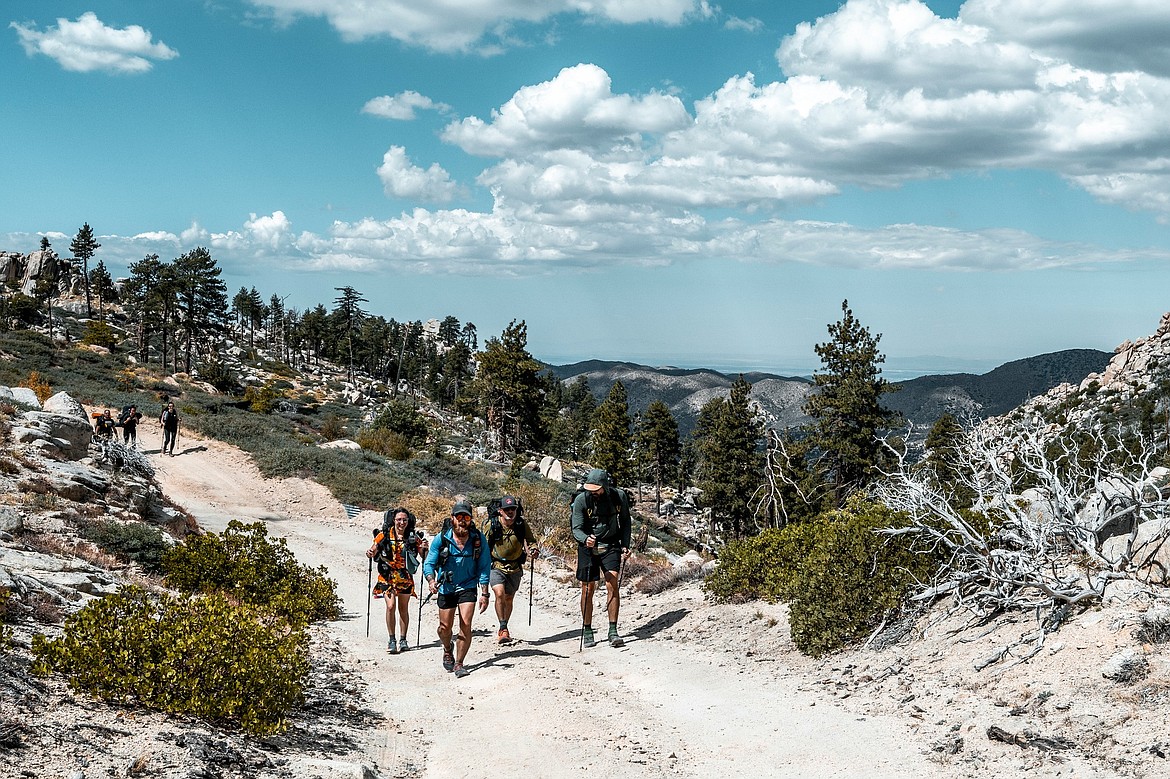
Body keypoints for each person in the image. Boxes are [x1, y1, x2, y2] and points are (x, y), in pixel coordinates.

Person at [422, 501, 490, 678]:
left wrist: (484, 593)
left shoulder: (478, 539)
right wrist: (431, 580)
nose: (462, 521)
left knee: (466, 625)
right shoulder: (442, 538)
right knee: (444, 628)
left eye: (466, 517)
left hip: (467, 586)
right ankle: (447, 648)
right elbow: (429, 563)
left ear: (470, 519)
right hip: (446, 586)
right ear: (452, 518)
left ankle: (459, 663)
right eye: (459, 517)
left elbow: (484, 567)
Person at [571, 468, 632, 648]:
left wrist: (625, 544)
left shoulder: (619, 497)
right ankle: (588, 629)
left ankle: (613, 630)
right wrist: (585, 539)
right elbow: (576, 528)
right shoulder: (582, 500)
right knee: (588, 588)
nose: (593, 492)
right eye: (590, 488)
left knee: (612, 583)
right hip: (587, 547)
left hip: (611, 544)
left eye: (596, 489)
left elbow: (626, 521)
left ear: (604, 486)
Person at [366, 508, 427, 654]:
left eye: (404, 520)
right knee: (391, 606)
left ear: (408, 521)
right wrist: (370, 552)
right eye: (399, 519)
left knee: (403, 609)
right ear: (393, 520)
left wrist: (425, 549)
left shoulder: (413, 537)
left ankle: (403, 640)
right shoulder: (384, 535)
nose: (402, 522)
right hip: (387, 576)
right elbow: (374, 549)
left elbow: (424, 555)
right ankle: (392, 639)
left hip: (404, 577)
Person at [487, 495, 539, 645]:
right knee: (499, 593)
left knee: (509, 598)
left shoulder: (521, 524)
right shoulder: (492, 524)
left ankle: (504, 625)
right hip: (496, 565)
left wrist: (534, 550)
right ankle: (503, 628)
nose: (510, 512)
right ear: (500, 511)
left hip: (515, 567)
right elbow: (483, 545)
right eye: (507, 509)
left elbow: (531, 541)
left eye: (513, 509)